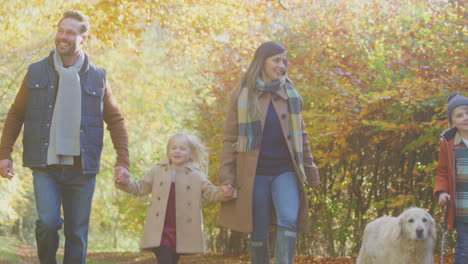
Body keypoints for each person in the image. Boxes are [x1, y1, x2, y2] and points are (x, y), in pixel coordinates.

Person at [0, 10, 130, 264]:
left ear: (84, 38)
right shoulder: (36, 72)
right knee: (48, 223)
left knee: (77, 234)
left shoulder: (98, 77)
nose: (63, 36)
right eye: (60, 30)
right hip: (46, 165)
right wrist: (5, 154)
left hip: (82, 169)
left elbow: (115, 120)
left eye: (70, 32)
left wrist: (122, 161)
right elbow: (16, 114)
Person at [216, 41, 320, 264]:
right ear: (262, 61)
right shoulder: (241, 95)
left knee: (289, 219)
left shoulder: (291, 95)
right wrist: (226, 177)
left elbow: (302, 137)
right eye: (277, 60)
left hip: (285, 171)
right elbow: (229, 139)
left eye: (284, 61)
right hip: (254, 175)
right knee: (259, 229)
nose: (282, 65)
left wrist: (310, 169)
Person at [115, 133, 236, 264]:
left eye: (182, 148)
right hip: (160, 228)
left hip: (181, 229)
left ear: (191, 154)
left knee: (172, 260)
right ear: (168, 151)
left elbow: (211, 193)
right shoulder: (158, 170)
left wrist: (226, 193)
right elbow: (140, 188)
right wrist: (125, 183)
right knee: (164, 258)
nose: (177, 151)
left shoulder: (196, 175)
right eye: (174, 148)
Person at [434, 93, 468, 264]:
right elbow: (442, 172)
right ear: (452, 121)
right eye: (459, 115)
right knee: (463, 248)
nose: (465, 118)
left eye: (467, 113)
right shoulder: (449, 143)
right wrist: (441, 192)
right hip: (463, 208)